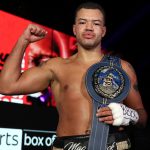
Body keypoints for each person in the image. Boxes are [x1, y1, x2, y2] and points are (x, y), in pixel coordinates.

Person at [0, 1, 147, 150]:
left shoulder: (122, 67)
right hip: (67, 146)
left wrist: (130, 115)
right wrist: (23, 41)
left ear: (103, 31)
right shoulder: (56, 67)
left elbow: (142, 116)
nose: (89, 27)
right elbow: (6, 86)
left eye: (96, 23)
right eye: (82, 22)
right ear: (75, 29)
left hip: (115, 144)